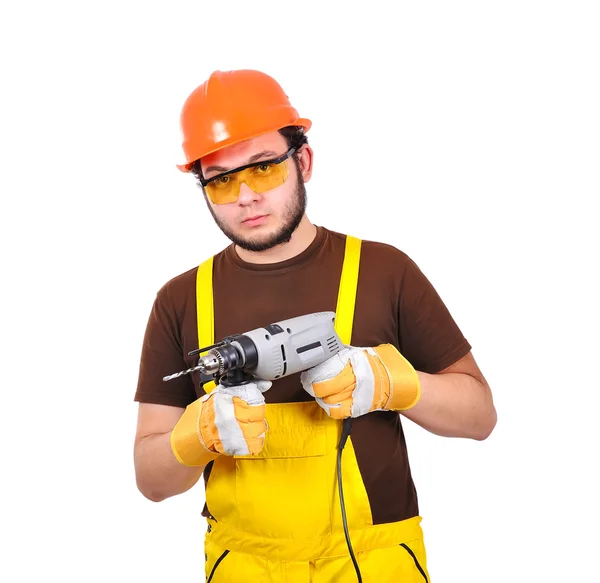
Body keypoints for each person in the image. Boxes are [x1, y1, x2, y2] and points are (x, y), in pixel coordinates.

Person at [133, 68, 497, 582]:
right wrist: (195, 437)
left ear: (302, 160)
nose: (244, 196)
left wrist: (398, 385)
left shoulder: (383, 270)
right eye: (221, 180)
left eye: (262, 168)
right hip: (244, 566)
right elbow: (151, 479)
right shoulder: (180, 299)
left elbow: (479, 416)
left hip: (373, 563)